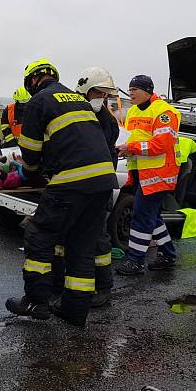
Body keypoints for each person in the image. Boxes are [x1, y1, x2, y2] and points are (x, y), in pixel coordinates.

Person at [5, 58, 118, 326]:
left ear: (32, 81)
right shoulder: (78, 99)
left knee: (39, 235)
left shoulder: (39, 101)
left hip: (72, 181)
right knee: (81, 244)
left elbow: (30, 152)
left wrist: (31, 171)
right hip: (103, 181)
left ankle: (35, 301)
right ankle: (74, 309)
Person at [115, 75, 181, 275]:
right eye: (130, 89)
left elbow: (161, 144)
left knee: (142, 215)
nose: (131, 93)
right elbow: (131, 137)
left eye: (135, 89)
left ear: (147, 91)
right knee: (152, 215)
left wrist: (131, 147)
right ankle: (168, 254)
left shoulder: (165, 112)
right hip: (140, 172)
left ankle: (135, 260)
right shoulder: (133, 111)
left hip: (159, 173)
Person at [72, 66, 120, 306]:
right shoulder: (78, 113)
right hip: (81, 185)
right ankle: (78, 285)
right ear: (86, 90)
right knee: (75, 235)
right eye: (99, 93)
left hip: (97, 187)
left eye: (105, 94)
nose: (103, 98)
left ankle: (103, 287)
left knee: (99, 237)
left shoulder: (105, 120)